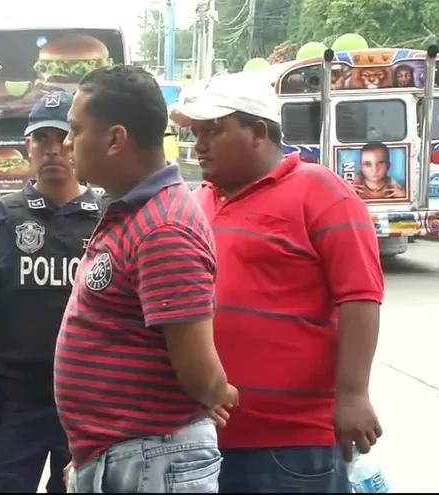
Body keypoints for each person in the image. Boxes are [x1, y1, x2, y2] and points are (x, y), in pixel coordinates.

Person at [170, 75, 385, 493]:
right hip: (202, 439)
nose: (198, 146)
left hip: (293, 444)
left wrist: (354, 394)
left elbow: (360, 296)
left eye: (212, 130)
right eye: (196, 133)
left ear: (258, 132)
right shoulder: (196, 202)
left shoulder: (321, 192)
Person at [55, 64, 237, 493]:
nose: (65, 144)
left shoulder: (163, 228)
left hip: (153, 460)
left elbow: (198, 371)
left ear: (116, 140)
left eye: (75, 130)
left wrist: (221, 393)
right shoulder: (135, 212)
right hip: (130, 457)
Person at [0, 91, 105, 493]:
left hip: (89, 406)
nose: (52, 150)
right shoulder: (0, 220)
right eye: (40, 139)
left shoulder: (108, 218)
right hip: (15, 405)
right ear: (28, 147)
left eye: (63, 138)